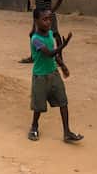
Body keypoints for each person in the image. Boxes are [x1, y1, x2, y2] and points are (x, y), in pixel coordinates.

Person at [28, 8, 82, 143]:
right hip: (40, 76)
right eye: (44, 19)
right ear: (36, 21)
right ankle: (34, 126)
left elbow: (54, 54)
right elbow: (49, 53)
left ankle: (67, 132)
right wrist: (64, 45)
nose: (48, 22)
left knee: (63, 102)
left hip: (53, 73)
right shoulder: (35, 39)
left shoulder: (50, 34)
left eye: (49, 19)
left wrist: (62, 66)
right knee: (38, 107)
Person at [21, 0, 67, 79]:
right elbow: (35, 3)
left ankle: (60, 57)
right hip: (39, 15)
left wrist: (53, 10)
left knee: (56, 35)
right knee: (33, 34)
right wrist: (34, 20)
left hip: (48, 16)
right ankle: (33, 56)